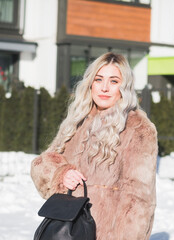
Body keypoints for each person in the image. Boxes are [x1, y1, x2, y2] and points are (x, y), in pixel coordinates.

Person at [31, 52, 158, 239]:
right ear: (91, 83)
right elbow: (41, 164)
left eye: (114, 81)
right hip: (67, 230)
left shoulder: (138, 128)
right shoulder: (78, 119)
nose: (104, 88)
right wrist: (61, 173)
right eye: (99, 79)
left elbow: (138, 202)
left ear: (124, 87)